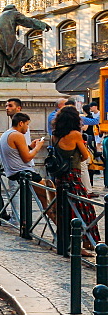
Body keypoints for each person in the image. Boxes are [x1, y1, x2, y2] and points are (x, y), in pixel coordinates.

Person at [52, 106, 100, 250]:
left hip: (60, 176)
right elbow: (85, 156)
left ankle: (65, 242)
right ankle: (85, 241)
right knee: (83, 208)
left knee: (64, 209)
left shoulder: (55, 135)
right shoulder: (75, 134)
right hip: (73, 174)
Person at [0, 112, 49, 226]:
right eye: (27, 124)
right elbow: (27, 158)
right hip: (24, 173)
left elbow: (17, 152)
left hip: (15, 172)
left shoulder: (7, 134)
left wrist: (30, 146)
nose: (28, 127)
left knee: (45, 199)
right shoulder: (17, 135)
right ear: (21, 123)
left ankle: (56, 226)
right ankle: (61, 227)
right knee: (52, 195)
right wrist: (37, 148)